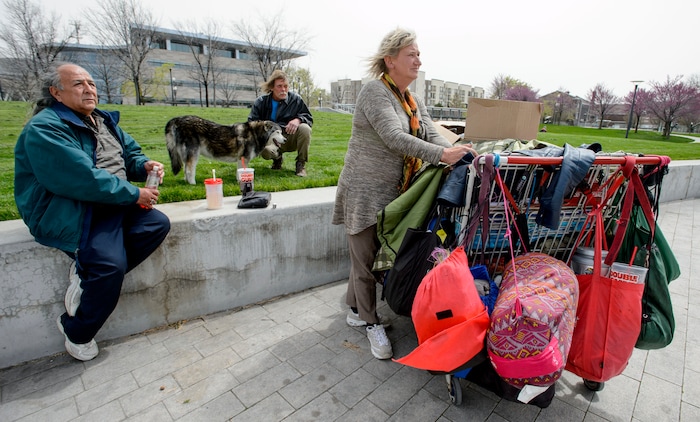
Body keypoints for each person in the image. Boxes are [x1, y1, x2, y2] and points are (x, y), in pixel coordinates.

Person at [331, 28, 476, 360]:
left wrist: (460, 153)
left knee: (368, 257)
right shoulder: (373, 93)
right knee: (365, 259)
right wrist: (442, 156)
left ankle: (355, 309)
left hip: (396, 194)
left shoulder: (413, 100)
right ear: (390, 59)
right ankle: (371, 322)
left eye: (418, 54)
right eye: (411, 54)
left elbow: (431, 134)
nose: (418, 60)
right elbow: (394, 137)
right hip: (364, 190)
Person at [14, 62, 171, 361]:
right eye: (78, 84)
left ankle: (86, 273)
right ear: (56, 93)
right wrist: (136, 194)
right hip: (74, 210)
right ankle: (77, 331)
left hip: (112, 202)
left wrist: (144, 166)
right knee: (109, 268)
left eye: (92, 83)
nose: (89, 89)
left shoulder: (101, 120)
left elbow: (129, 154)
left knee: (156, 224)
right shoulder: (45, 128)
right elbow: (83, 179)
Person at [248, 69, 313, 177]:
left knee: (305, 128)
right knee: (266, 151)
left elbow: (308, 117)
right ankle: (277, 158)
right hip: (270, 140)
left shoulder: (296, 100)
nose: (283, 89)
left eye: (286, 86)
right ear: (272, 87)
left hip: (289, 137)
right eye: (279, 86)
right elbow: (251, 123)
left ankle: (301, 164)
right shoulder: (261, 102)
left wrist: (298, 120)